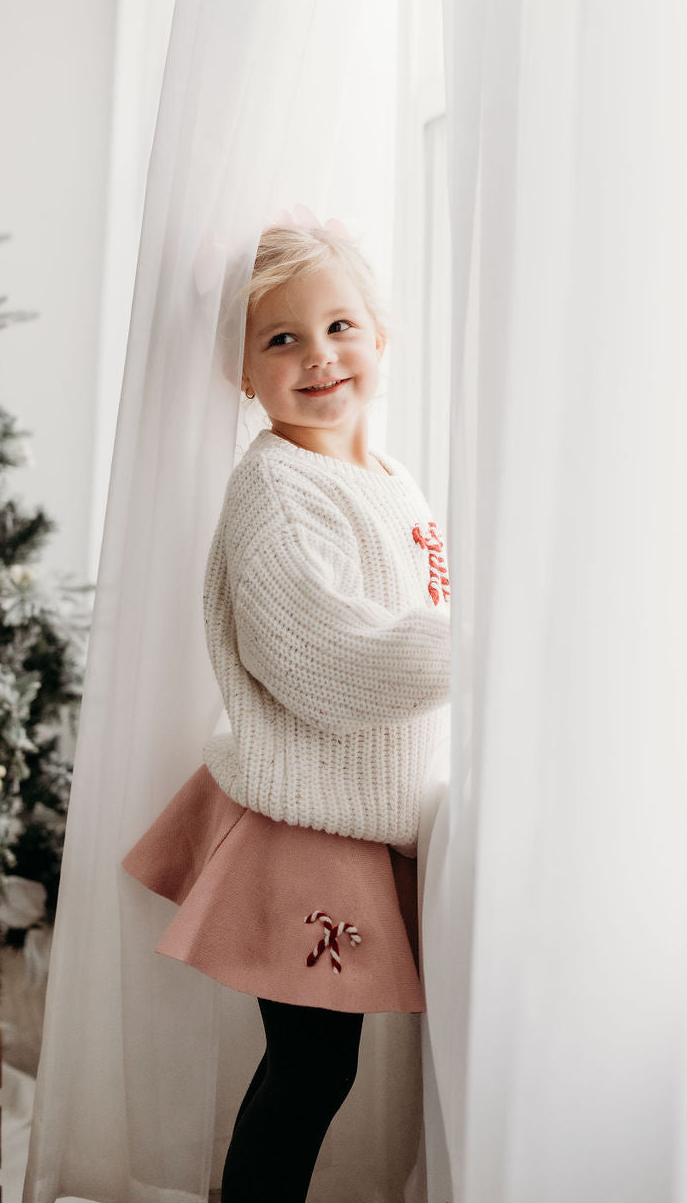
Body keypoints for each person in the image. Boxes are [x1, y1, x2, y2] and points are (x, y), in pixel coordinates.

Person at [122, 221, 451, 1203]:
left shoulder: (390, 481)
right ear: (242, 372)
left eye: (340, 324)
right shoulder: (276, 487)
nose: (317, 355)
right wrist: (480, 647)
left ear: (382, 341)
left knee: (312, 1069)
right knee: (312, 1069)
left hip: (352, 814)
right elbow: (326, 659)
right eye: (280, 339)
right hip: (307, 825)